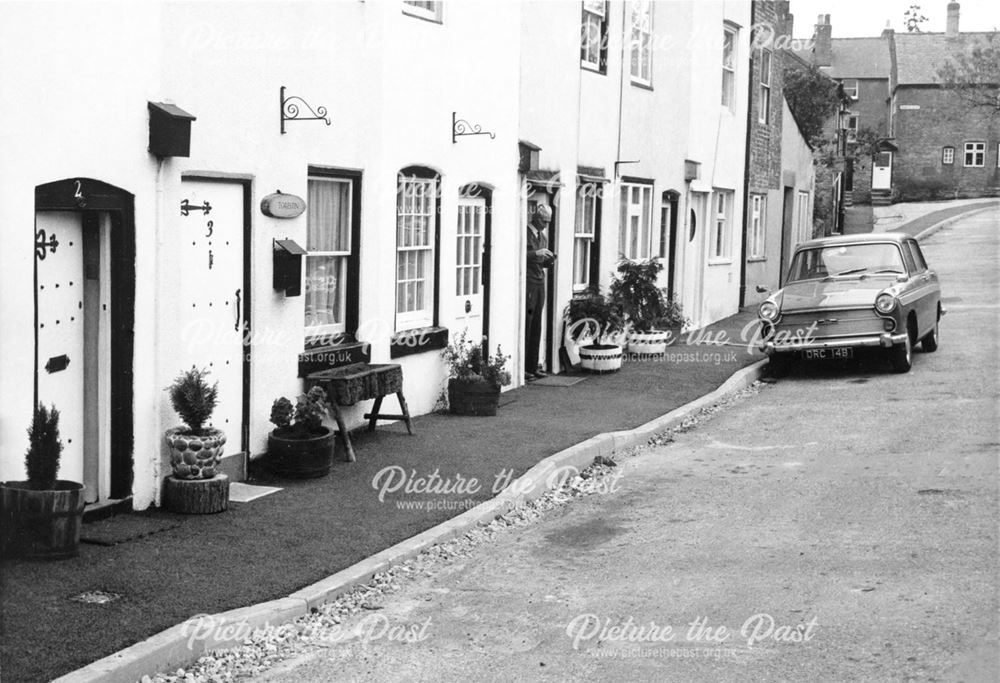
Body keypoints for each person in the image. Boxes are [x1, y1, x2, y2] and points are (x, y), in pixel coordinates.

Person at [525, 204, 555, 381]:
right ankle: (524, 367)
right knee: (528, 323)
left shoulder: (543, 237)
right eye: (544, 221)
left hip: (539, 281)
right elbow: (522, 254)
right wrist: (537, 253)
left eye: (548, 222)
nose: (545, 225)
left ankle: (533, 365)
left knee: (537, 323)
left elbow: (541, 261)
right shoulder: (526, 233)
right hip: (528, 282)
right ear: (536, 218)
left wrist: (549, 260)